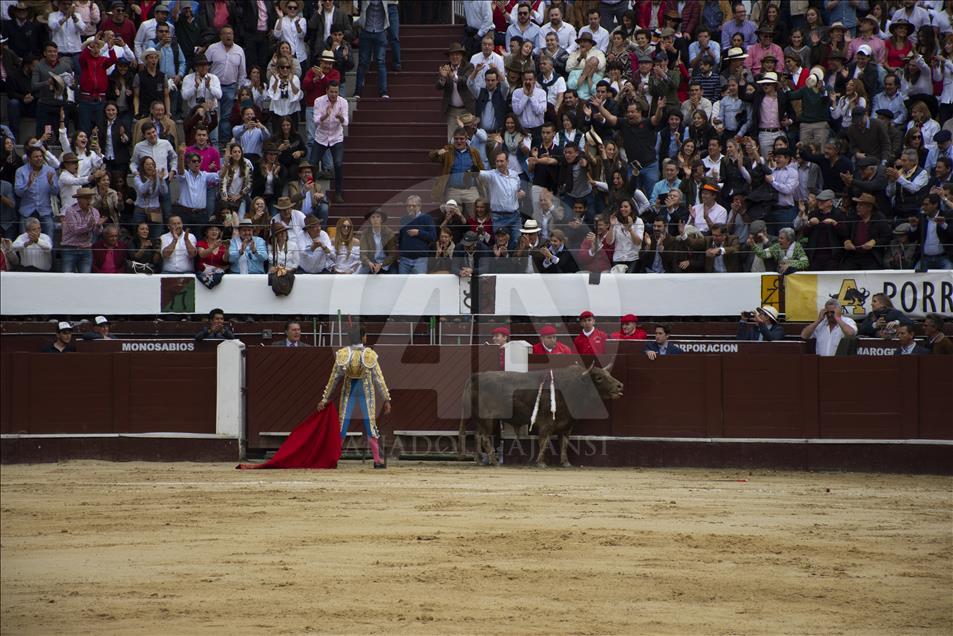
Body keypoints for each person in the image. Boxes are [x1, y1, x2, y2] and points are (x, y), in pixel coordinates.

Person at [317, 325, 392, 469]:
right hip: (365, 391)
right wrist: (386, 398)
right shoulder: (369, 354)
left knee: (342, 425)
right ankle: (377, 460)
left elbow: (333, 379)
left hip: (349, 390)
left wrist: (325, 399)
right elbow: (378, 378)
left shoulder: (343, 354)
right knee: (370, 425)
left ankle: (334, 459)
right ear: (363, 337)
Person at [311, 80, 347, 203]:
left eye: (336, 92)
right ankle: (311, 191)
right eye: (331, 91)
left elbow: (346, 122)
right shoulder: (318, 101)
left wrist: (340, 117)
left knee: (338, 164)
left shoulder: (343, 102)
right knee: (312, 164)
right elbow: (315, 121)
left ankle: (338, 193)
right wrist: (325, 115)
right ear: (326, 91)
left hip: (336, 137)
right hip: (321, 136)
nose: (333, 94)